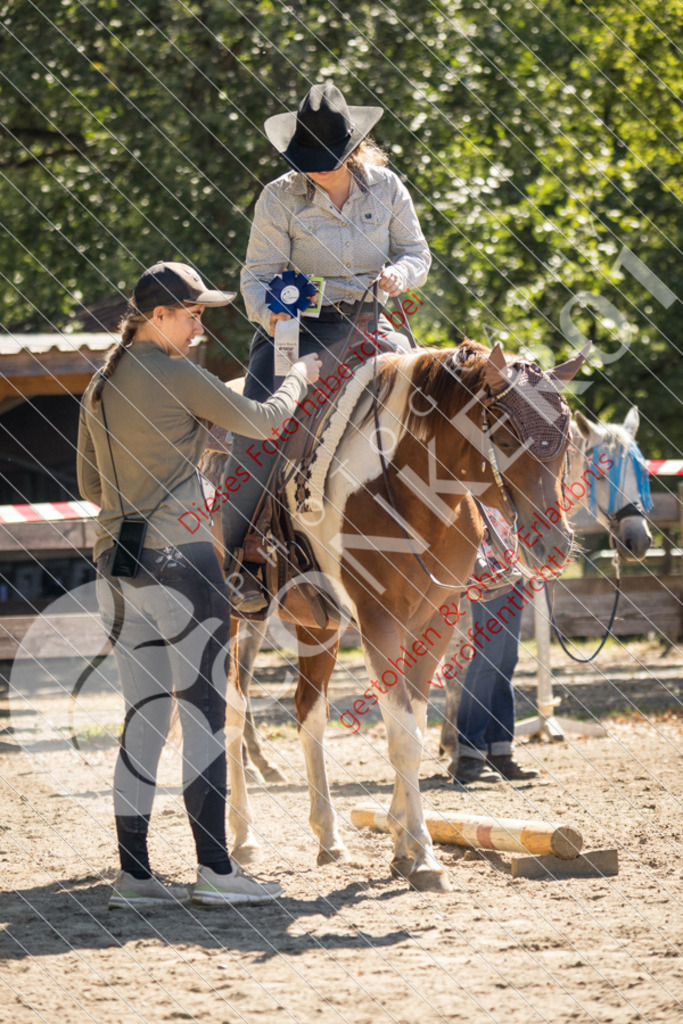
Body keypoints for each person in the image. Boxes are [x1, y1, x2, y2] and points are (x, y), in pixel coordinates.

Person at [77, 260, 321, 908]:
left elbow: (91, 488)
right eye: (191, 314)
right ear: (157, 316)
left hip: (118, 562)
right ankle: (215, 870)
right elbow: (266, 420)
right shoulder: (178, 375)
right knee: (207, 717)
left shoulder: (101, 384)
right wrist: (300, 372)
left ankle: (135, 876)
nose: (198, 326)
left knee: (144, 723)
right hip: (183, 563)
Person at [224, 81, 432, 611]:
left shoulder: (387, 188)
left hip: (371, 322)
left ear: (352, 150)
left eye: (326, 159)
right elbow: (257, 277)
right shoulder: (278, 197)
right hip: (299, 328)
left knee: (433, 403)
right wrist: (274, 321)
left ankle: (480, 535)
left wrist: (399, 276)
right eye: (306, 159)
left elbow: (416, 253)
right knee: (262, 425)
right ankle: (236, 556)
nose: (315, 168)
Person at [452, 510, 540, 785]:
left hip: (513, 572)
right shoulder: (477, 482)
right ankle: (469, 753)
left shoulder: (508, 486)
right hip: (486, 572)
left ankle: (500, 750)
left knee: (506, 660)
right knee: (487, 660)